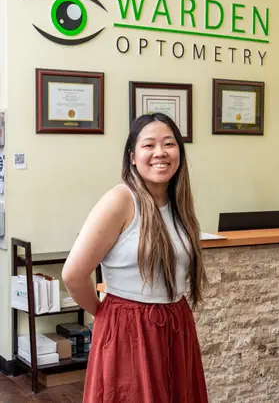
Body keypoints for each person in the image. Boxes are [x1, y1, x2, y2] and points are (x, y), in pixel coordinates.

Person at [62, 112, 208, 403]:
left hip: (176, 324)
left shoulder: (179, 205)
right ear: (132, 156)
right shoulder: (120, 200)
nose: (160, 153)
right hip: (129, 330)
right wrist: (104, 313)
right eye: (149, 145)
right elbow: (73, 274)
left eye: (169, 144)